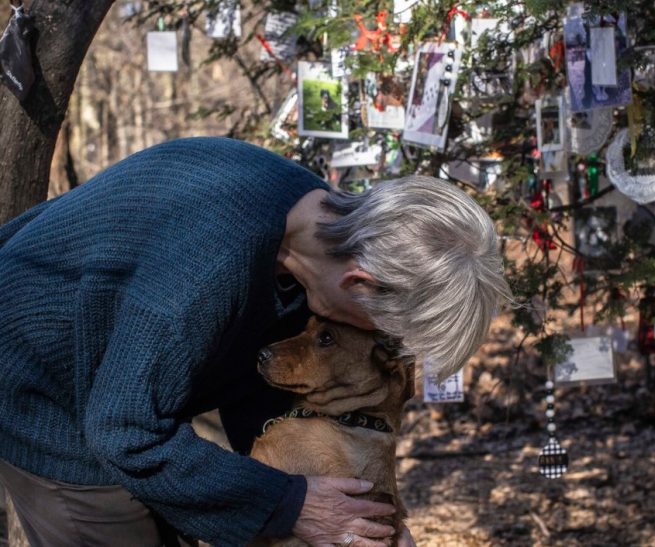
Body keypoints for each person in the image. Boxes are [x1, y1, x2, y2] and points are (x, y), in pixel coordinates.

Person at [0, 136, 511, 546]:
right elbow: (125, 432)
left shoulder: (308, 227)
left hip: (118, 389)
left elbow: (254, 387)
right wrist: (285, 504)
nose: (378, 337)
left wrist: (354, 516)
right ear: (360, 284)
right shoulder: (207, 265)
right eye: (387, 327)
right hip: (43, 392)